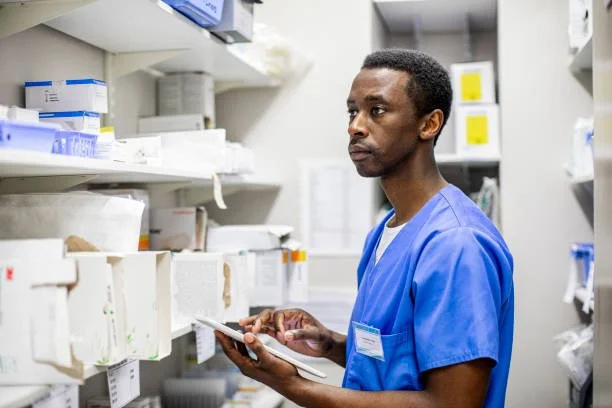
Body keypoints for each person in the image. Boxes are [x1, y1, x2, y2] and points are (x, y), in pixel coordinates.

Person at [215, 48, 514, 408]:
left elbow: (451, 403)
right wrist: (327, 344)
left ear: (429, 124)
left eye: (377, 110)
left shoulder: (455, 243)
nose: (355, 126)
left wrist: (293, 386)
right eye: (353, 111)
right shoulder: (388, 229)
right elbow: (400, 361)